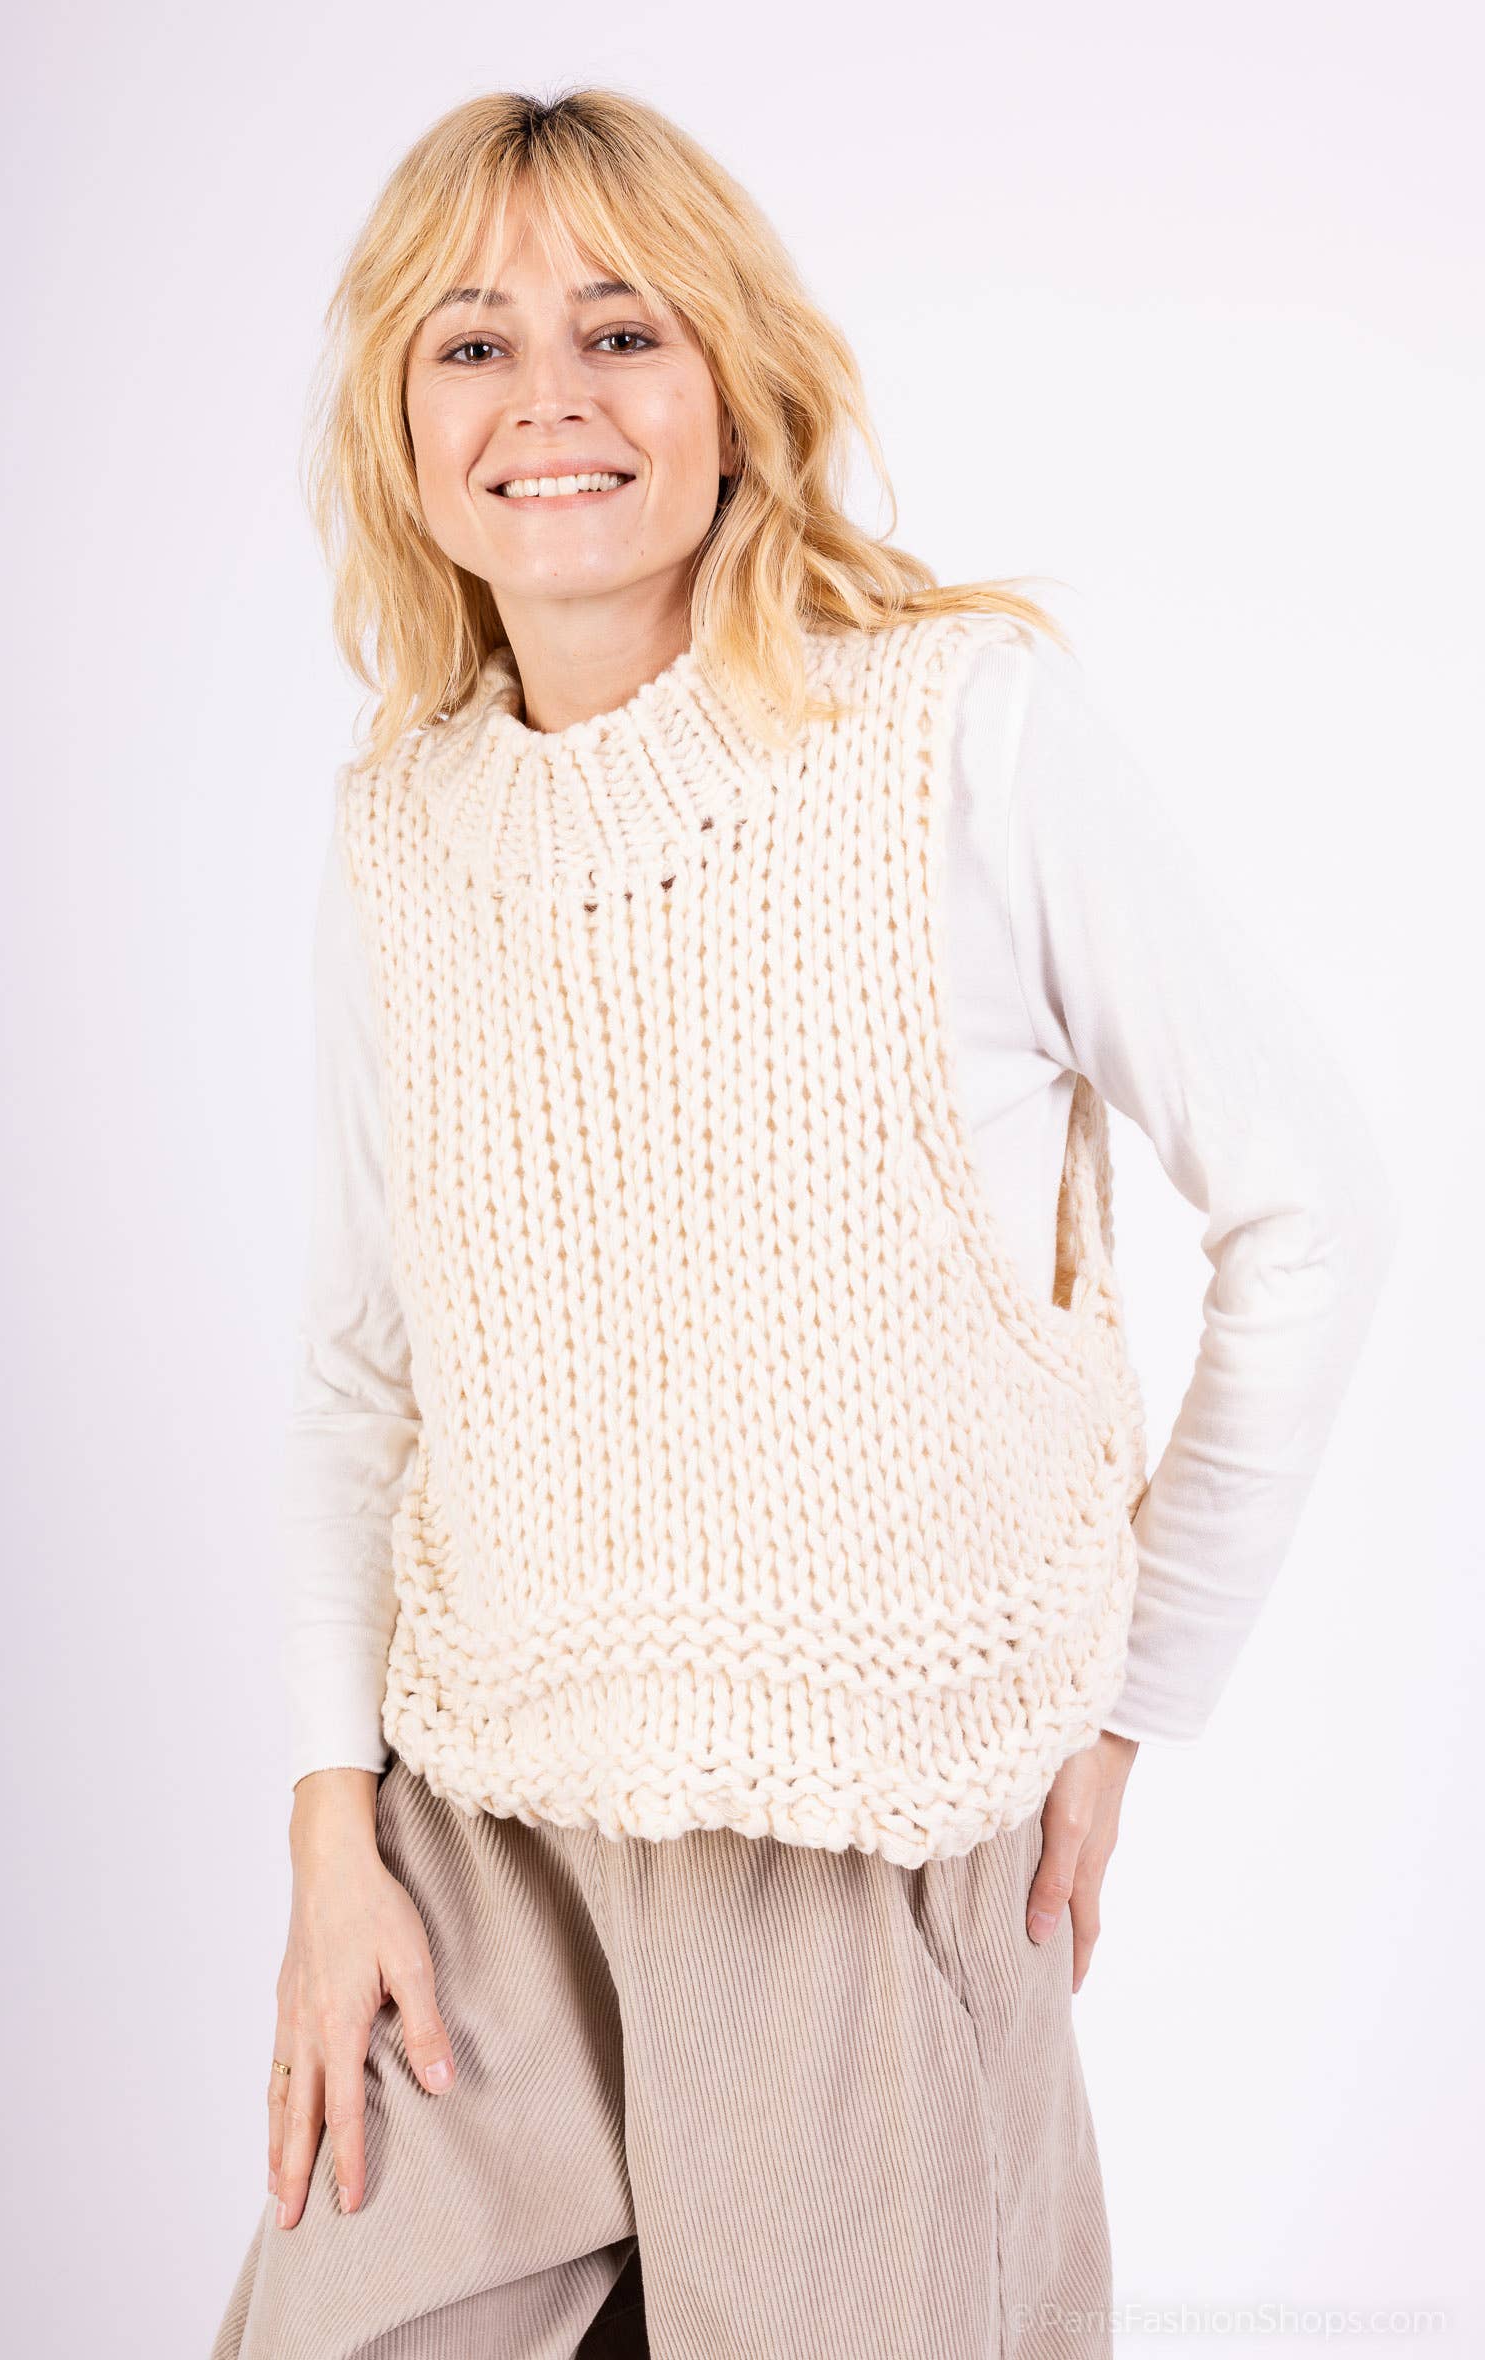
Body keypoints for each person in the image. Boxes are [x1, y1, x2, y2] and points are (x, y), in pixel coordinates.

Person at [209, 86, 1399, 2360]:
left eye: (621, 330)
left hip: (848, 1845)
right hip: (482, 1846)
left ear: (736, 384)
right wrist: (327, 1836)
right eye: (470, 343)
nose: (547, 398)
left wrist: (1130, 1701)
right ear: (396, 421)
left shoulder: (956, 733)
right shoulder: (403, 831)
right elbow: (364, 1374)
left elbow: (1312, 1202)